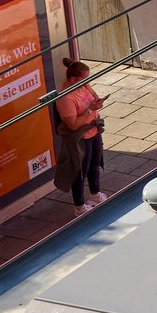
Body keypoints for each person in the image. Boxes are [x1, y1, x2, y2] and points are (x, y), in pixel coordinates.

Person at [54, 60, 108, 212]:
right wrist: (90, 110)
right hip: (81, 138)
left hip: (94, 131)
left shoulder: (83, 85)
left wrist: (97, 103)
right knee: (80, 172)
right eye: (84, 79)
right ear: (73, 80)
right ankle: (79, 206)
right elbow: (73, 125)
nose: (87, 82)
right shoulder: (65, 98)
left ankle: (95, 194)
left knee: (94, 164)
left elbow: (94, 97)